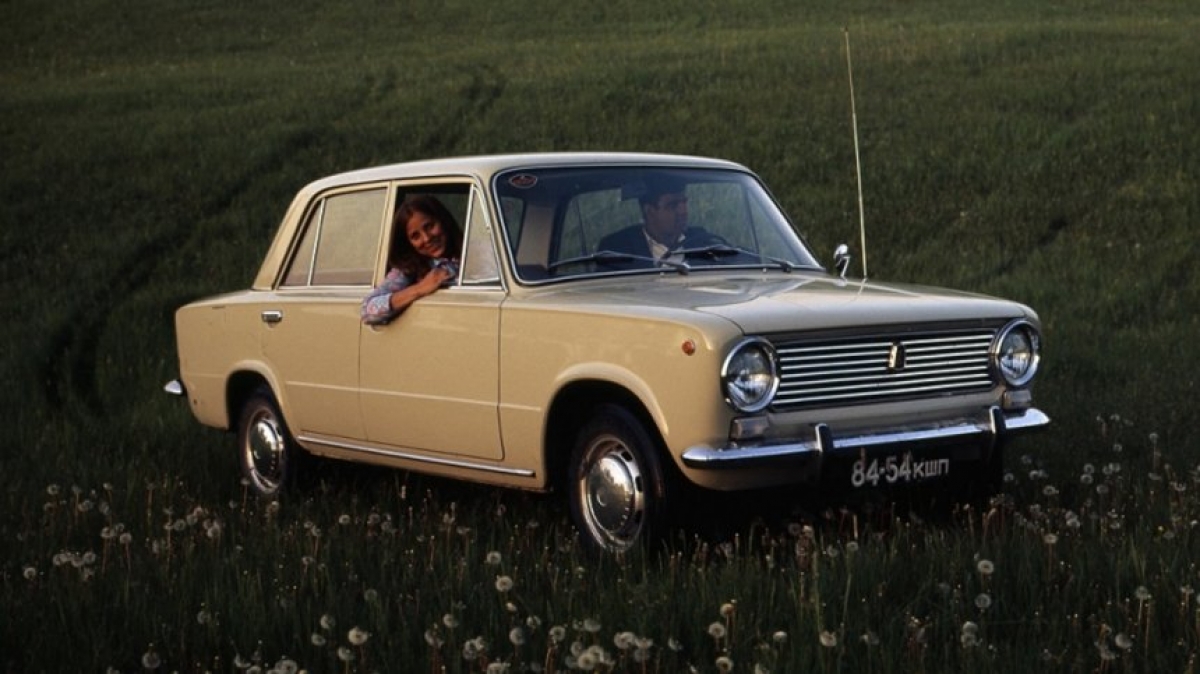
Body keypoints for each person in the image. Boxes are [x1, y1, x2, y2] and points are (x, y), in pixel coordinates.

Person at [361, 195, 463, 325]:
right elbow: (368, 310)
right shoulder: (409, 270)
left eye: (429, 226)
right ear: (408, 243)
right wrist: (420, 288)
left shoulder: (475, 253)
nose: (426, 238)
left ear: (443, 220)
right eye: (416, 236)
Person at [596, 176, 723, 268]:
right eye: (672, 205)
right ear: (650, 211)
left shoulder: (704, 243)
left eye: (684, 203)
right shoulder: (618, 250)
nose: (683, 211)